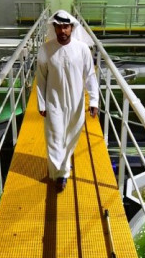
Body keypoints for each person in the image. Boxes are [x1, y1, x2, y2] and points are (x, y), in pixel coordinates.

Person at [36, 10, 99, 192]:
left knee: (71, 137)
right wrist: (41, 103)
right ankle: (61, 174)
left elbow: (90, 76)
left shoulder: (82, 49)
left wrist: (93, 101)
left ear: (72, 28)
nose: (62, 31)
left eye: (66, 27)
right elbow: (41, 79)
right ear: (54, 28)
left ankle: (62, 167)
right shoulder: (46, 49)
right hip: (53, 101)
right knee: (54, 139)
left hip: (77, 103)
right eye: (59, 27)